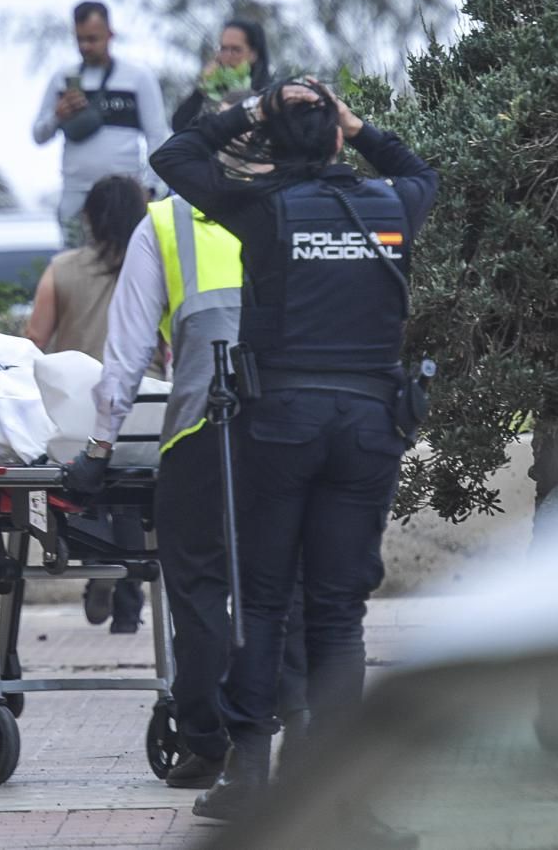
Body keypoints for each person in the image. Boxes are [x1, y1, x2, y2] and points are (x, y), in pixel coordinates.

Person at [152, 79, 437, 824]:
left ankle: (250, 776)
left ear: (273, 145)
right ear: (339, 138)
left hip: (279, 426)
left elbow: (173, 155)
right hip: (369, 426)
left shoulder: (262, 208)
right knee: (339, 613)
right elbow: (421, 171)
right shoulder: (392, 205)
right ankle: (343, 790)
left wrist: (253, 110)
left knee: (265, 601)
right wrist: (353, 121)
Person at [62, 92, 306, 793]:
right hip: (290, 430)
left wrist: (99, 450)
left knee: (197, 589)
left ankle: (206, 740)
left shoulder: (163, 223)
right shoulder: (296, 206)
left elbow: (129, 352)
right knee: (281, 581)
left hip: (204, 432)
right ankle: (297, 723)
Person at [26, 174, 156, 634]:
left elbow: (34, 341)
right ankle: (129, 594)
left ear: (90, 217)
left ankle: (96, 564)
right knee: (134, 500)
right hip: (143, 411)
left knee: (83, 491)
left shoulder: (62, 269)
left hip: (77, 414)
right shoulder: (155, 266)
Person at [32, 0, 169, 247]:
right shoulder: (63, 78)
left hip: (122, 194)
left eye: (93, 39)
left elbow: (158, 135)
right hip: (76, 193)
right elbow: (39, 135)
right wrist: (58, 115)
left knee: (123, 264)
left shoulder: (138, 77)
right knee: (73, 264)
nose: (86, 46)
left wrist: (151, 190)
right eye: (80, 39)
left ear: (110, 34)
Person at [171, 19, 272, 132]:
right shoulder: (211, 89)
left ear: (253, 54)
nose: (227, 56)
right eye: (223, 49)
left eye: (236, 50)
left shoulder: (267, 97)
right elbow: (179, 127)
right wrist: (202, 89)